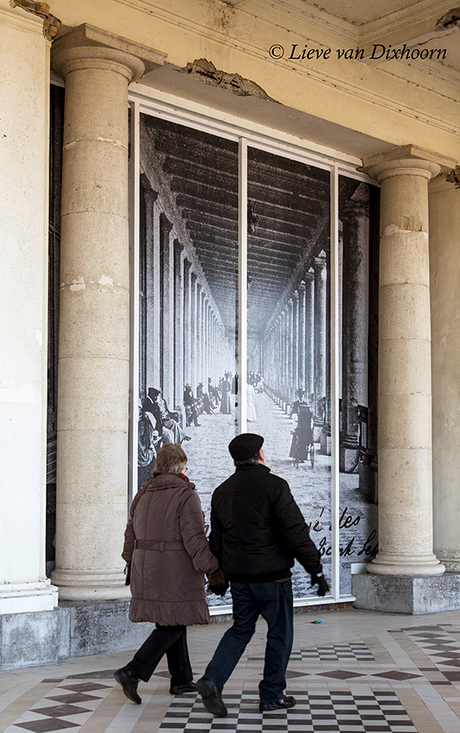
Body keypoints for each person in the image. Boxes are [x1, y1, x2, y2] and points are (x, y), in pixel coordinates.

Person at [196, 433, 329, 717]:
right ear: (260, 454)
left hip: (241, 579)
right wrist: (315, 569)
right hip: (273, 579)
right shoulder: (275, 486)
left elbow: (216, 540)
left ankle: (212, 679)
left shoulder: (222, 492)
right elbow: (295, 533)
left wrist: (216, 574)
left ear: (235, 459)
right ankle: (271, 695)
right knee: (280, 633)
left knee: (240, 629)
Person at [114, 443, 221, 704]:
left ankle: (181, 680)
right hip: (174, 568)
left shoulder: (142, 493)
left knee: (172, 619)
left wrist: (129, 562)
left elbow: (131, 532)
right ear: (180, 467)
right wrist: (212, 567)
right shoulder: (185, 495)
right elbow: (194, 538)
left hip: (145, 565)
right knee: (173, 622)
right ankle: (133, 670)